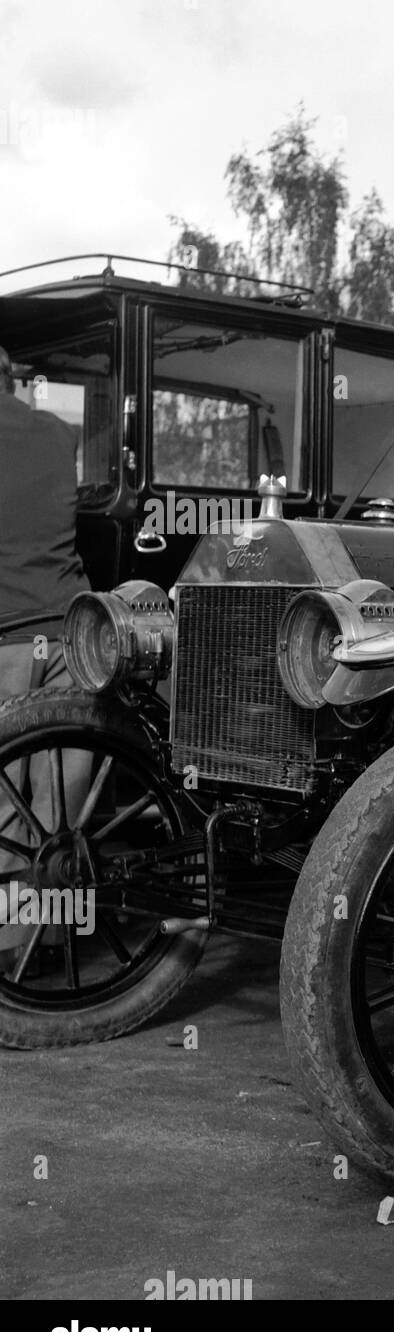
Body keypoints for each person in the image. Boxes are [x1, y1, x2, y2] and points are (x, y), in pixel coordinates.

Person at [0, 343, 93, 961]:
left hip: (4, 638)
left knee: (4, 809)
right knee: (57, 799)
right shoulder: (61, 433)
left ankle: (8, 953)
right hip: (68, 631)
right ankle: (49, 940)